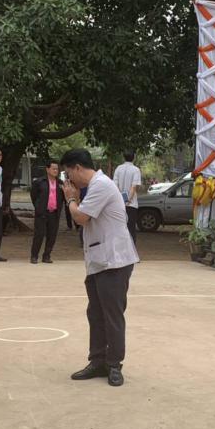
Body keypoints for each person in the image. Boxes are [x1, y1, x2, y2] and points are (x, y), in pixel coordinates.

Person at [61, 149, 139, 387]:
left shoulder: (101, 185)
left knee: (112, 315)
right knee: (95, 314)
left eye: (68, 173)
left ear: (77, 168)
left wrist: (71, 199)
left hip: (114, 262)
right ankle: (97, 361)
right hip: (98, 261)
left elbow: (80, 218)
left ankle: (114, 365)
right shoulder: (95, 186)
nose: (68, 180)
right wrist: (76, 199)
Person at [30, 159, 64, 264]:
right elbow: (33, 196)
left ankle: (47, 255)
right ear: (47, 169)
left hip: (54, 213)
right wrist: (38, 207)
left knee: (52, 235)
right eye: (53, 169)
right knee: (39, 234)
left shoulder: (60, 183)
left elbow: (62, 197)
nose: (55, 171)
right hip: (42, 213)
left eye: (57, 169)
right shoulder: (39, 182)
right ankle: (34, 256)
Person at [112, 151, 142, 243]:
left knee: (119, 227)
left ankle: (119, 247)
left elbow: (115, 186)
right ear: (134, 157)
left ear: (123, 157)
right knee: (131, 228)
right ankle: (131, 249)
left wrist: (120, 199)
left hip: (119, 204)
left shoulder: (118, 168)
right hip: (131, 204)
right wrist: (128, 199)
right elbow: (134, 187)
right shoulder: (136, 170)